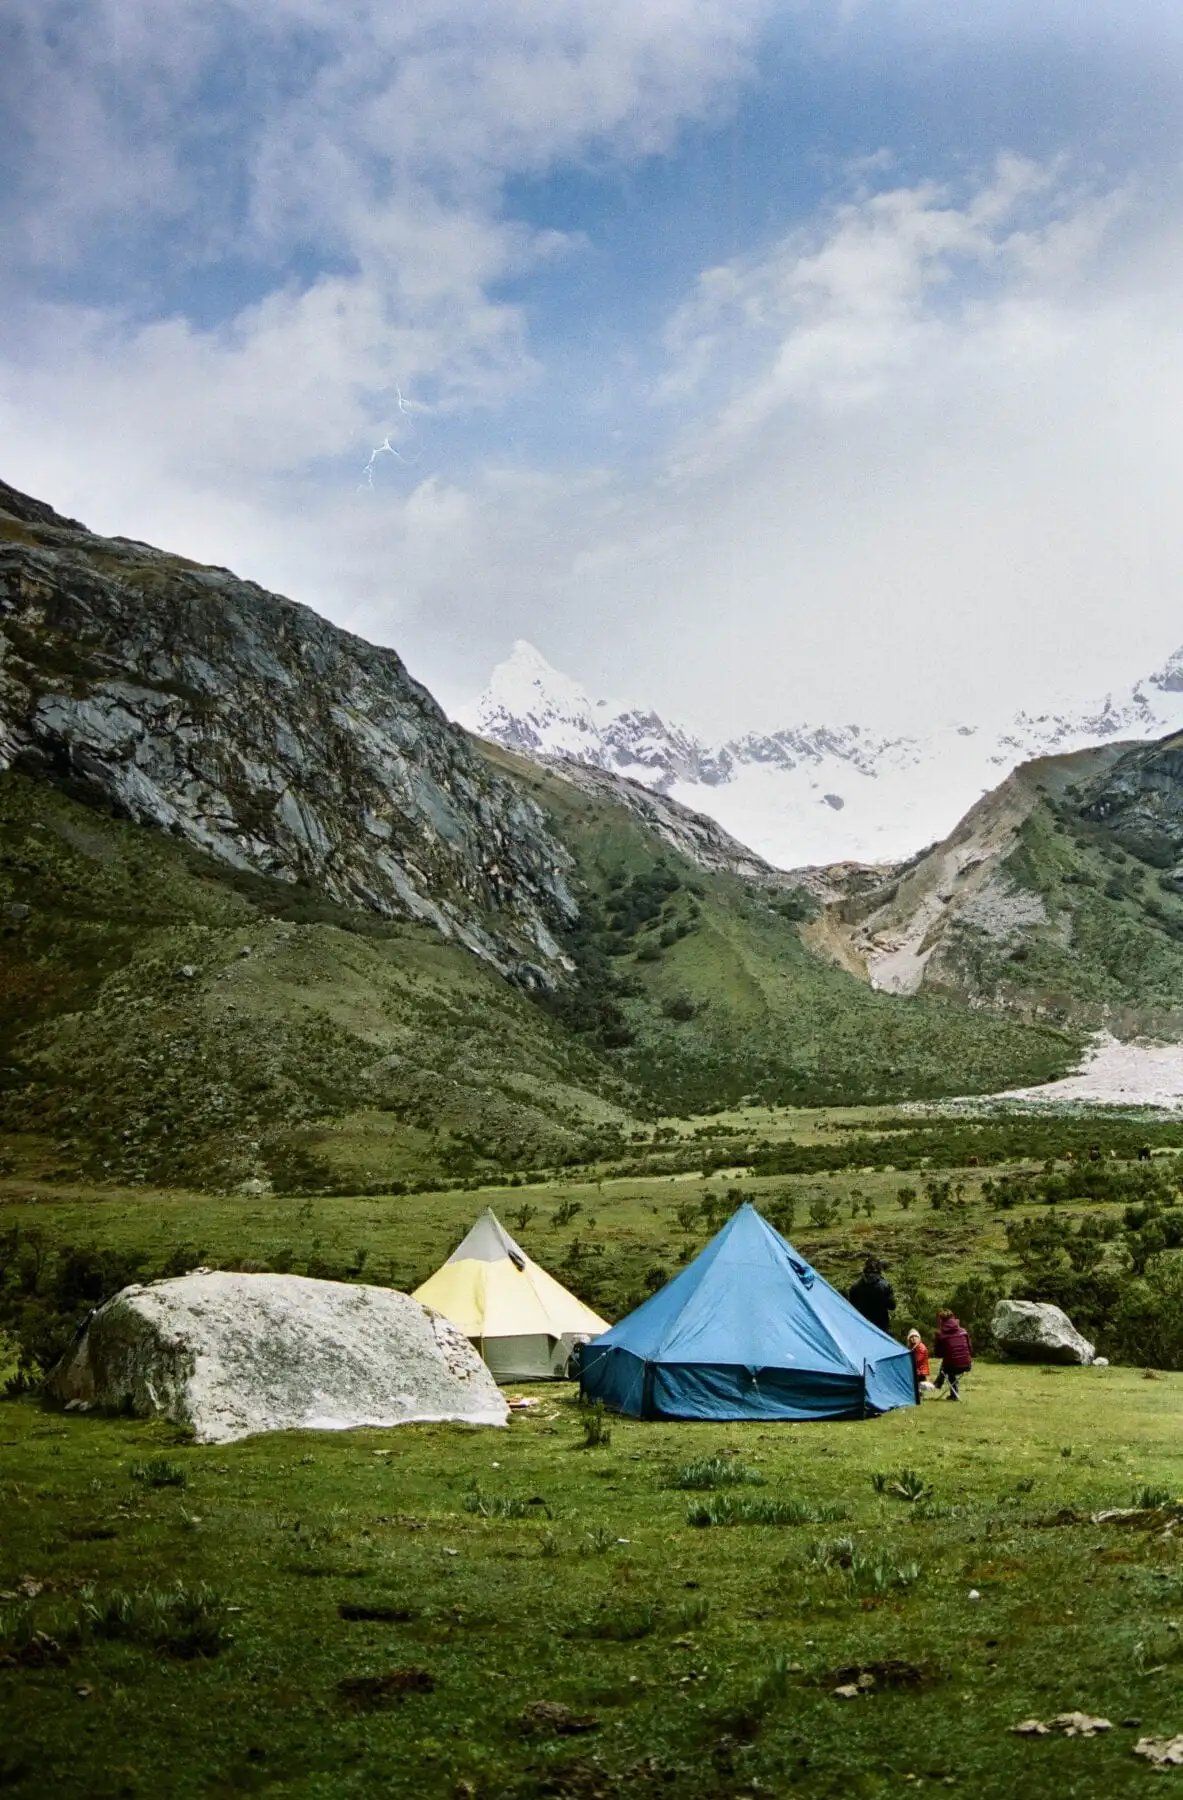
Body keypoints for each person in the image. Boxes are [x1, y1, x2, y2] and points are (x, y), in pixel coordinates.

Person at [847, 1256, 896, 1334]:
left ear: (865, 1268)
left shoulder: (855, 1286)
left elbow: (850, 1307)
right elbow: (892, 1306)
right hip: (882, 1328)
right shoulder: (885, 1284)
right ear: (879, 1268)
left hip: (861, 1328)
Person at [933, 1308, 973, 1400]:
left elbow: (938, 1354)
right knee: (949, 1366)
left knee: (947, 1367)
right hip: (967, 1364)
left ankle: (939, 1382)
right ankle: (952, 1394)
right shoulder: (963, 1331)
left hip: (952, 1366)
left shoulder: (940, 1335)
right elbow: (970, 1349)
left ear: (941, 1320)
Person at [907, 1328, 935, 1393]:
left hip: (920, 1371)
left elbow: (917, 1361)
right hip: (917, 1370)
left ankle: (928, 1386)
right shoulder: (914, 1347)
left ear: (918, 1337)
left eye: (915, 1336)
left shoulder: (920, 1347)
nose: (913, 1338)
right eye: (911, 1337)